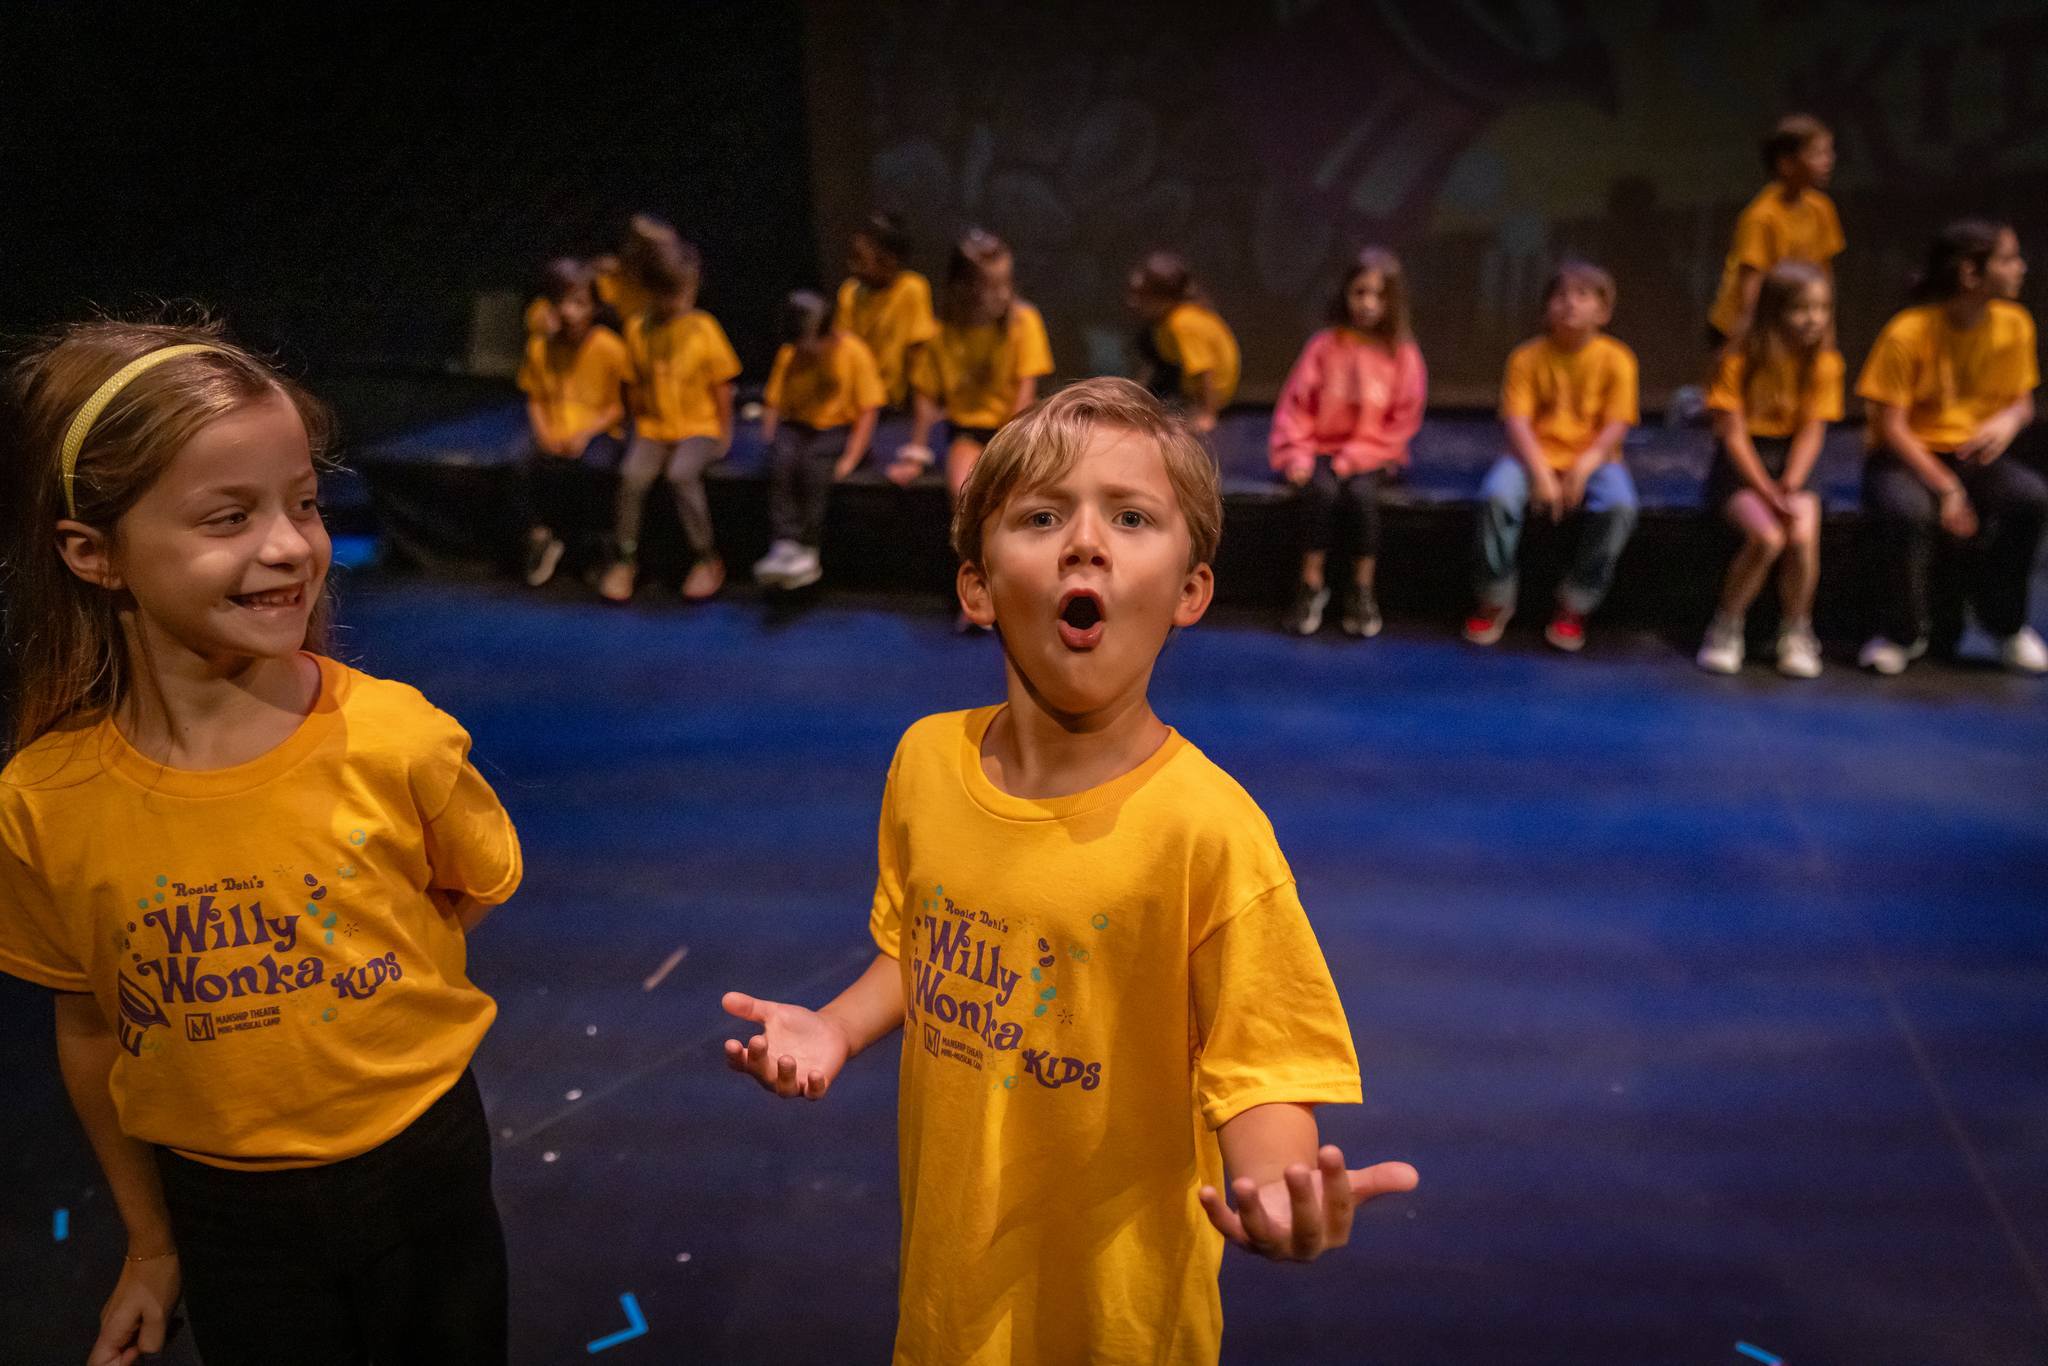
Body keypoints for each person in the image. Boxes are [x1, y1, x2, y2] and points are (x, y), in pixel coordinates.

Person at [722, 378, 1418, 1365]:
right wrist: (833, 1026)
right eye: (1042, 515)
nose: (1084, 540)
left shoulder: (1208, 831)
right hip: (952, 1304)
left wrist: (1275, 1183)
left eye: (1130, 517)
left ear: (1188, 588)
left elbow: (1260, 1071)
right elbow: (932, 951)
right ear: (975, 586)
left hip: (1118, 1328)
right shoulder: (924, 762)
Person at [0, 319, 523, 1366]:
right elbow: (93, 1025)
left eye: (303, 503)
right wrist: (152, 1245)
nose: (289, 546)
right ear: (92, 553)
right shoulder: (44, 802)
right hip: (228, 1213)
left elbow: (463, 886)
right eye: (227, 516)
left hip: (424, 1166)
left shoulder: (398, 737)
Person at [1855, 220, 2045, 674]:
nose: (2021, 267)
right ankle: (1901, 633)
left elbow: (2023, 403)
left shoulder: (2015, 324)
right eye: (2007, 258)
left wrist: (2007, 420)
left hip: (1973, 456)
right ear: (1970, 273)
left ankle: (2005, 627)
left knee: (2029, 498)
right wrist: (1945, 488)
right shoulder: (1910, 331)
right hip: (1909, 456)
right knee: (1907, 513)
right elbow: (1892, 426)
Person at [1465, 261, 1640, 652]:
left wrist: (1584, 465)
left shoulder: (1617, 359)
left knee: (1619, 505)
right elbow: (1518, 422)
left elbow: (1616, 424)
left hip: (1594, 460)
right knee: (1497, 496)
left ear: (1603, 310)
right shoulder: (1527, 357)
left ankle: (1576, 602)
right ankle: (1495, 596)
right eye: (1560, 296)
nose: (1569, 304)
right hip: (1531, 457)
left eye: (1582, 296)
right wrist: (1543, 474)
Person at [1270, 247, 1427, 638]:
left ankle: (1362, 588)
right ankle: (1311, 584)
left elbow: (1402, 422)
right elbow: (1298, 405)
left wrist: (1358, 457)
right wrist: (1298, 453)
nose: (1368, 304)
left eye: (1379, 295)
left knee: (1360, 497)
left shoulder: (1403, 354)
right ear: (1346, 294)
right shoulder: (1324, 346)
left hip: (1375, 452)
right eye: (1360, 292)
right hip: (1324, 447)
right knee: (1319, 491)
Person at [1695, 262, 1840, 677]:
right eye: (1802, 309)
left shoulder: (1825, 364)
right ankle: (1726, 625)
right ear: (1774, 312)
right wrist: (1766, 489)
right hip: (1744, 463)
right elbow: (1734, 436)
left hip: (1792, 460)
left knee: (1802, 535)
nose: (1814, 319)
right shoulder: (1737, 360)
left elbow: (1812, 432)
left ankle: (1796, 630)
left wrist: (1791, 482)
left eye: (1822, 308)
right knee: (1767, 537)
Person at [604, 234, 742, 602]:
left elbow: (722, 387)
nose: (680, 301)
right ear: (651, 290)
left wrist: (724, 435)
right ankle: (624, 560)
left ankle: (706, 558)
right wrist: (635, 425)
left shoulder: (703, 328)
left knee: (681, 474)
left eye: (685, 291)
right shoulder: (637, 329)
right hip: (655, 427)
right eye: (672, 293)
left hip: (699, 427)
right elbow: (634, 383)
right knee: (631, 477)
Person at [752, 291, 887, 589]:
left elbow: (867, 411)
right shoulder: (790, 356)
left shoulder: (854, 352)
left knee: (814, 466)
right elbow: (775, 401)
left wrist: (851, 458)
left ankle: (808, 548)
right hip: (799, 426)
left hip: (838, 429)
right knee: (783, 460)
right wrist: (769, 437)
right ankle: (784, 542)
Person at [515, 257, 630, 587]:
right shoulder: (540, 347)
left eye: (579, 303)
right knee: (522, 461)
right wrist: (545, 433)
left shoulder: (609, 347)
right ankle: (540, 538)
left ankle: (596, 549)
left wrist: (584, 434)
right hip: (555, 427)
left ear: (593, 307)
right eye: (562, 303)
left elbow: (618, 407)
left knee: (596, 466)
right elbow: (535, 398)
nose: (569, 312)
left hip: (596, 429)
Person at [1705, 114, 1843, 347]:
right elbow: (1752, 288)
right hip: (1745, 327)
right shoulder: (1761, 217)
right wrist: (1744, 345)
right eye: (1817, 154)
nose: (1828, 160)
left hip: (1791, 322)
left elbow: (1824, 274)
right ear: (1786, 164)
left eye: (1829, 152)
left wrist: (1826, 331)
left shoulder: (1822, 209)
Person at [1126, 250, 1240, 433]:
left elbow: (1204, 371)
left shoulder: (1181, 323)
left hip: (1203, 396)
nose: (1135, 302)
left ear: (1161, 297)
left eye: (1143, 297)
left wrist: (1208, 414)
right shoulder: (1167, 321)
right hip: (1185, 385)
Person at [836, 210, 939, 410]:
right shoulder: (849, 292)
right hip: (861, 402)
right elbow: (845, 350)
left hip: (897, 405)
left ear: (889, 259)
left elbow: (919, 355)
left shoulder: (912, 289)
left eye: (860, 260)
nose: (853, 266)